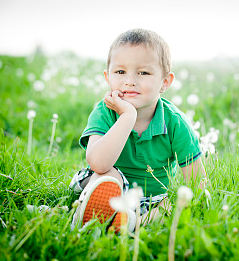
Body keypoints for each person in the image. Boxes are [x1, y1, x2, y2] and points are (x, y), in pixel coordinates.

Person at [69, 28, 206, 232]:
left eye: (143, 72)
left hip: (152, 199)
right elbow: (98, 163)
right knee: (109, 178)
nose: (130, 80)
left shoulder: (175, 123)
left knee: (174, 202)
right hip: (102, 183)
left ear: (165, 82)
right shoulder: (104, 112)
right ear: (108, 77)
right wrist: (127, 117)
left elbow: (197, 183)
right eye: (120, 72)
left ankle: (131, 224)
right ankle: (94, 216)